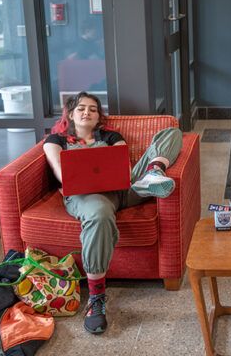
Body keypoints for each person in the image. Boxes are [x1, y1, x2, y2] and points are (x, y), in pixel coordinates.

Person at [43, 92, 182, 334]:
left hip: (123, 188)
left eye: (93, 109)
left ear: (99, 117)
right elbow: (61, 173)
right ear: (70, 114)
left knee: (172, 133)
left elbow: (124, 167)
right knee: (99, 214)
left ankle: (154, 172)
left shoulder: (111, 136)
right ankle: (96, 300)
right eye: (81, 108)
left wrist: (124, 178)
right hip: (85, 196)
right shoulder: (56, 140)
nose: (87, 112)